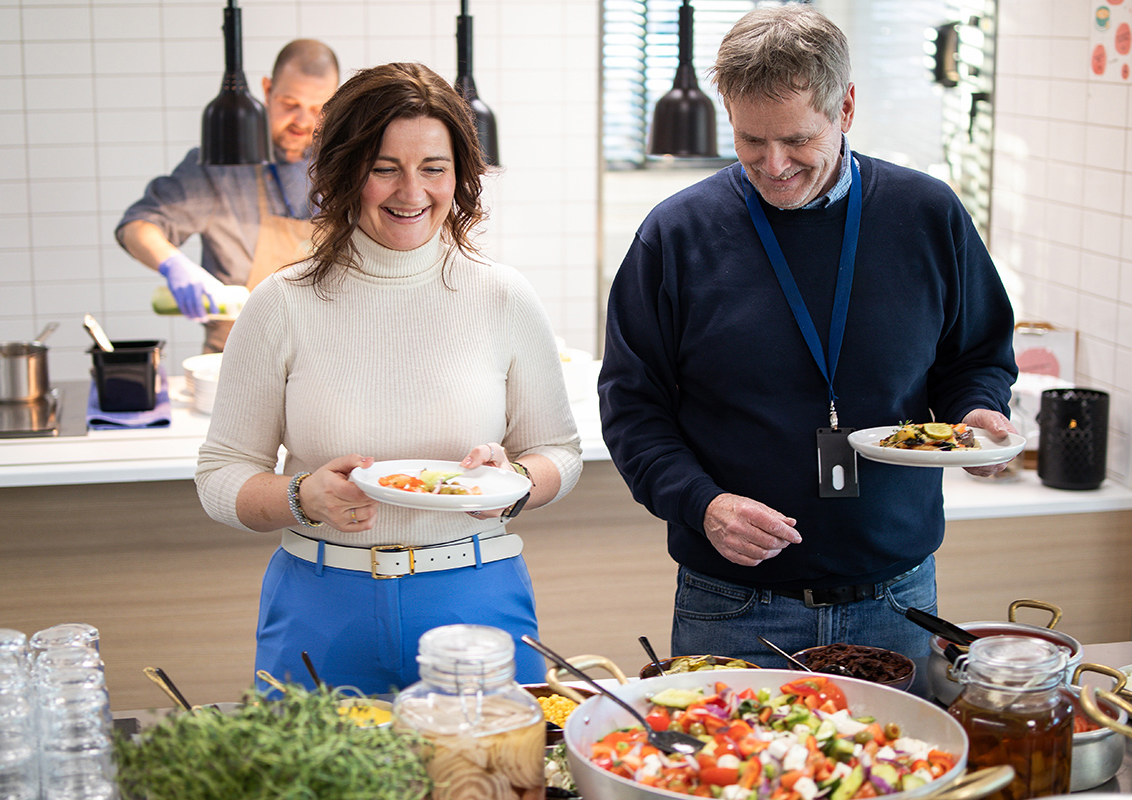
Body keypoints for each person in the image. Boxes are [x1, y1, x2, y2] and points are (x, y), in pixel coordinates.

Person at [598, 5, 1018, 690]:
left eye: (796, 139)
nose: (773, 165)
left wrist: (978, 415)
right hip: (731, 607)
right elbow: (630, 405)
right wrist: (701, 503)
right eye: (749, 140)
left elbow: (976, 357)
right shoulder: (675, 236)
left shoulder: (928, 214)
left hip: (897, 603)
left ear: (845, 107)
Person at [194, 62, 582, 695]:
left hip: (475, 595)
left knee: (492, 788)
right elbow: (219, 475)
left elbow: (560, 454)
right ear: (346, 171)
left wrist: (512, 483)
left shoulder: (503, 296)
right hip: (321, 603)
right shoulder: (281, 302)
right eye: (384, 168)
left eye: (434, 167)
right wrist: (301, 497)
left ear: (459, 175)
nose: (412, 192)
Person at [116, 39, 340, 353]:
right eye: (290, 103)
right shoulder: (221, 166)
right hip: (234, 357)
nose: (302, 121)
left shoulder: (344, 165)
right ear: (267, 89)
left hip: (323, 356)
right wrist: (174, 265)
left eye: (317, 109)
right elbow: (137, 226)